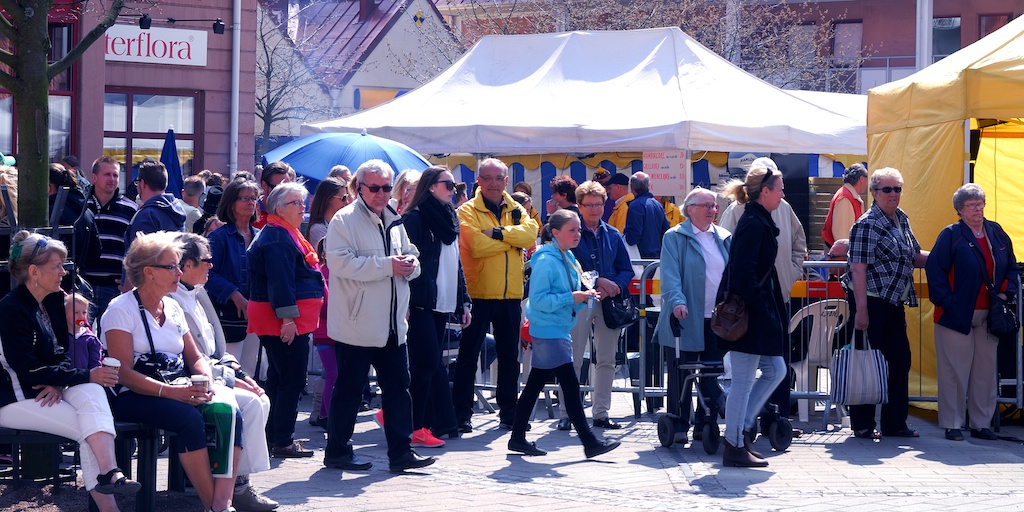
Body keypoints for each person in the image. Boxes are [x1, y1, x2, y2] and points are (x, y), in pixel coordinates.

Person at [102, 231, 241, 512]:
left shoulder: (174, 306)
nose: (180, 271)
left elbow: (196, 357)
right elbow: (124, 373)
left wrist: (206, 382)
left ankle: (221, 503)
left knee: (229, 411)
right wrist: (172, 392)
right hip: (133, 394)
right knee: (188, 419)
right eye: (172, 266)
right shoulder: (120, 309)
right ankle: (211, 505)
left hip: (175, 385)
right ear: (149, 272)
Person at [0, 232, 139, 512]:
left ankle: (110, 474)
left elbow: (61, 355)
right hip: (13, 399)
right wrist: (82, 376)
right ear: (34, 272)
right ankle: (110, 490)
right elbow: (27, 368)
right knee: (89, 428)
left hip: (38, 392)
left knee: (91, 394)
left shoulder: (45, 302)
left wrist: (62, 383)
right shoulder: (11, 308)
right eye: (56, 267)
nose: (63, 272)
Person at [323, 159, 435, 473]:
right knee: (349, 390)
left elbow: (411, 254)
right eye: (375, 188)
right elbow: (340, 264)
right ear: (359, 188)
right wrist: (388, 266)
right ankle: (337, 452)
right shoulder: (343, 220)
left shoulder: (394, 219)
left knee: (399, 389)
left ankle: (401, 453)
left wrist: (412, 265)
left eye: (386, 187)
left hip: (392, 326)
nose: (382, 193)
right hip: (357, 324)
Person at [170, 233, 278, 511]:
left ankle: (238, 480)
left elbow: (216, 347)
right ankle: (237, 486)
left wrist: (239, 373)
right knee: (251, 404)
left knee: (260, 397)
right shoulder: (173, 298)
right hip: (193, 379)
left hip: (215, 370)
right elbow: (190, 358)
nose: (211, 266)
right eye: (206, 261)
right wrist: (230, 378)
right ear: (188, 264)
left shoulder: (198, 292)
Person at [507, 209, 620, 459]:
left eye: (578, 229)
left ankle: (517, 438)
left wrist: (583, 298)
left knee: (536, 384)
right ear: (555, 233)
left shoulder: (568, 257)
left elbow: (568, 297)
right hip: (548, 329)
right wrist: (575, 298)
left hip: (556, 328)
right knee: (569, 384)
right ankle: (589, 442)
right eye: (572, 230)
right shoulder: (548, 260)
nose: (578, 234)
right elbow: (536, 300)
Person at [452, 157, 539, 433]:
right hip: (477, 293)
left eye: (498, 178)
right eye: (487, 178)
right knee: (468, 356)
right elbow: (475, 245)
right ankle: (462, 414)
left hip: (510, 294)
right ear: (478, 180)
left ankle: (509, 413)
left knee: (509, 357)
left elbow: (530, 236)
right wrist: (510, 242)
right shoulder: (466, 211)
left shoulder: (515, 208)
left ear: (506, 181)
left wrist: (497, 234)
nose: (492, 183)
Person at [926, 183, 1016, 442]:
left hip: (989, 313)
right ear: (959, 210)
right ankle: (953, 423)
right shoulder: (950, 234)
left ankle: (981, 423)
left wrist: (1005, 294)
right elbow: (935, 271)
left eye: (981, 204)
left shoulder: (996, 232)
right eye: (972, 206)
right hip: (955, 315)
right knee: (954, 371)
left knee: (985, 372)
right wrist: (948, 302)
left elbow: (1011, 267)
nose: (978, 210)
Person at [845, 167, 929, 440]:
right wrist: (861, 312)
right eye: (887, 189)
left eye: (898, 189)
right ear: (874, 193)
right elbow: (857, 268)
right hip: (870, 301)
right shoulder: (867, 223)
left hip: (894, 301)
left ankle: (894, 424)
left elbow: (915, 255)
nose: (893, 194)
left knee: (900, 360)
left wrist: (949, 255)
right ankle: (863, 424)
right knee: (866, 361)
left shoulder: (901, 219)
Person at [717, 160, 789, 468]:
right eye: (780, 189)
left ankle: (742, 427)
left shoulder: (758, 219)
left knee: (776, 370)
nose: (783, 195)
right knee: (744, 381)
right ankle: (734, 443)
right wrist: (762, 306)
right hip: (748, 315)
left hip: (757, 311)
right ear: (765, 192)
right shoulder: (752, 223)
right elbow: (743, 275)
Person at [247, 182, 324, 458]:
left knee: (281, 378)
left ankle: (274, 437)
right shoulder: (279, 237)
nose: (303, 207)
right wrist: (288, 320)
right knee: (291, 379)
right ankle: (283, 441)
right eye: (296, 203)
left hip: (284, 318)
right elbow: (281, 282)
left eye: (303, 202)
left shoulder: (283, 232)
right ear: (279, 208)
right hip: (282, 319)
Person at [654, 187, 731, 444]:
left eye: (714, 206)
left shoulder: (724, 236)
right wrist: (677, 302)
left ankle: (705, 422)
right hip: (685, 318)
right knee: (681, 371)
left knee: (711, 371)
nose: (713, 210)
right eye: (707, 206)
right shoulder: (675, 237)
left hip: (717, 317)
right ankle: (678, 422)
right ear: (690, 210)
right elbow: (670, 274)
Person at [402, 166, 473, 445]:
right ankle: (414, 424)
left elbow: (455, 264)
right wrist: (405, 300)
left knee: (428, 364)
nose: (453, 190)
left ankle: (409, 419)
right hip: (419, 302)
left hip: (442, 302)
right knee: (427, 363)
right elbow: (408, 263)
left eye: (455, 186)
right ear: (431, 186)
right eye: (448, 184)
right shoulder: (414, 219)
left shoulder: (449, 218)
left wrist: (463, 301)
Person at [558, 180, 633, 431]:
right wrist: (598, 280)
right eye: (589, 205)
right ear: (578, 206)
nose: (594, 209)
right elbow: (569, 267)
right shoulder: (571, 233)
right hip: (579, 300)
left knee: (607, 359)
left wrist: (615, 285)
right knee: (573, 358)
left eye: (599, 204)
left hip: (608, 303)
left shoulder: (613, 234)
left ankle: (601, 413)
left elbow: (627, 269)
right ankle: (567, 413)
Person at [305, 177, 351, 427]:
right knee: (331, 373)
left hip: (336, 329)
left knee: (331, 373)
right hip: (325, 330)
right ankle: (325, 415)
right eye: (342, 197)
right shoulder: (320, 232)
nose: (347, 201)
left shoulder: (337, 225)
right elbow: (322, 300)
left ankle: (321, 414)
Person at [207, 179, 262, 378]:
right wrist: (233, 294)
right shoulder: (218, 237)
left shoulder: (260, 236)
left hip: (255, 313)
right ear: (231, 203)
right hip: (228, 314)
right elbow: (207, 274)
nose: (250, 203)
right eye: (245, 198)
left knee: (249, 371)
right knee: (231, 371)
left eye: (253, 199)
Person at [83, 156, 138, 329]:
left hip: (115, 287)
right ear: (94, 177)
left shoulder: (130, 208)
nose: (112, 179)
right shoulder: (81, 205)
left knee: (112, 336)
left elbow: (134, 248)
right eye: (107, 174)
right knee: (80, 335)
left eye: (115, 175)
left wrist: (129, 277)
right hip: (85, 284)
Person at [122, 159, 187, 271]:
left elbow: (138, 260)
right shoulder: (177, 209)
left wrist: (127, 282)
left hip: (147, 283)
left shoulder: (147, 216)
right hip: (172, 277)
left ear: (142, 184)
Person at [48, 162, 101, 276]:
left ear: (49, 188)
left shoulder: (49, 212)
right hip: (77, 279)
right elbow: (96, 251)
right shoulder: (86, 212)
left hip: (51, 280)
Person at [623, 172, 669, 259]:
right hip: (657, 255)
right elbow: (666, 231)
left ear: (631, 187)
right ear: (649, 185)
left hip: (641, 256)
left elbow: (633, 237)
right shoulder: (658, 205)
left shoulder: (635, 206)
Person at [822, 163, 868, 248]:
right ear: (861, 179)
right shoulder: (845, 198)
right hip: (840, 255)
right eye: (867, 178)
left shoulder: (849, 195)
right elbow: (842, 237)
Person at [66, 292, 102, 370]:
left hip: (85, 379)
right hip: (64, 379)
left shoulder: (91, 339)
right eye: (76, 312)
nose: (81, 316)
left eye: (84, 312)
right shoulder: (60, 336)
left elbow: (95, 364)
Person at [254, 161, 293, 229]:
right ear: (264, 185)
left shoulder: (291, 213)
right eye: (278, 189)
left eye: (288, 189)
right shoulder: (251, 212)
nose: (284, 193)